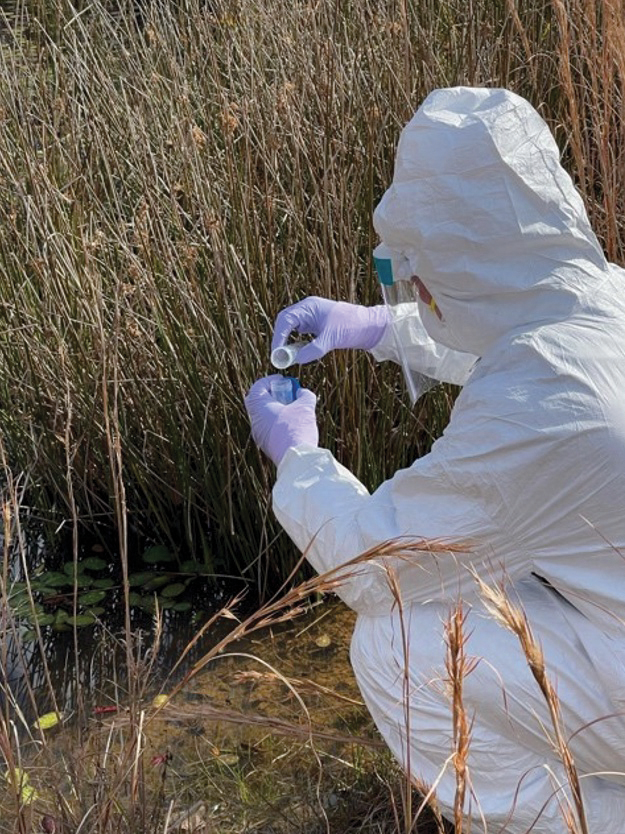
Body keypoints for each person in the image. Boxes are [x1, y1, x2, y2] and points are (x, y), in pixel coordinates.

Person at [244, 87, 625, 832]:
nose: (415, 285)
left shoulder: (533, 405)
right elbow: (511, 326)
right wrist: (379, 328)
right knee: (499, 575)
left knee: (399, 640)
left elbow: (372, 563)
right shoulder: (606, 300)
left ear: (453, 255)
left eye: (421, 269)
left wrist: (298, 457)